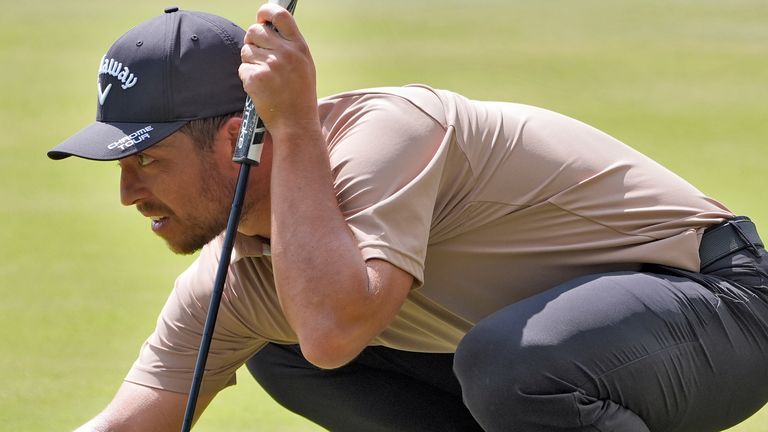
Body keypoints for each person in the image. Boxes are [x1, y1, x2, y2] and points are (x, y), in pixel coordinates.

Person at [49, 5, 768, 432]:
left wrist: (295, 126)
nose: (126, 194)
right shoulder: (234, 282)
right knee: (281, 350)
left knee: (497, 363)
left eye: (147, 161)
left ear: (240, 137)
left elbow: (335, 328)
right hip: (576, 357)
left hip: (722, 306)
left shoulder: (385, 133)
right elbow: (132, 422)